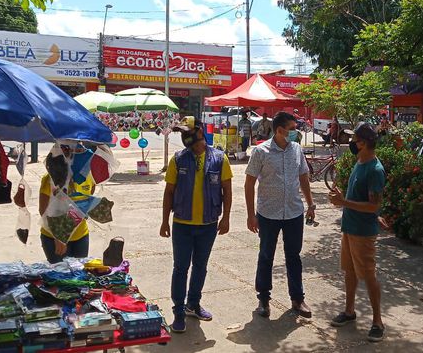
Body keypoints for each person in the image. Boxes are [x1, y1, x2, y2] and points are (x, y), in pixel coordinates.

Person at [161, 116, 233, 333]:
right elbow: (169, 191)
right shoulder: (178, 159)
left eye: (188, 132)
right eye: (182, 133)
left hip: (208, 225)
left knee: (200, 266)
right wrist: (164, 221)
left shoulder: (220, 158)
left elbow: (227, 191)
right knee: (180, 268)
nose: (184, 137)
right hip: (182, 224)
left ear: (200, 131)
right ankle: (179, 312)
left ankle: (193, 303)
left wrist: (226, 217)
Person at [245, 111, 316, 318]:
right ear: (279, 130)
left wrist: (310, 204)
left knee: (294, 256)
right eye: (293, 129)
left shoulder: (296, 150)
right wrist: (251, 215)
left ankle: (297, 299)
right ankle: (264, 300)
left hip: (294, 212)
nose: (296, 133)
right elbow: (249, 183)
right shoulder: (261, 152)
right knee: (266, 255)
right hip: (268, 214)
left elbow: (303, 176)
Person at [328, 123, 386, 343]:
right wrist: (343, 197)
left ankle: (378, 322)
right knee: (350, 272)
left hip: (363, 232)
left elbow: (373, 206)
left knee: (368, 275)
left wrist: (343, 202)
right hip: (349, 227)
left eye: (355, 140)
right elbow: (359, 198)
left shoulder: (374, 169)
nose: (351, 142)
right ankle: (349, 311)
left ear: (364, 143)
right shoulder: (359, 162)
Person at [38, 144, 94, 264]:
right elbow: (43, 210)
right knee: (60, 278)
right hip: (53, 238)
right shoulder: (49, 179)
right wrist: (59, 236)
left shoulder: (87, 176)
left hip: (80, 236)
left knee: (78, 277)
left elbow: (88, 199)